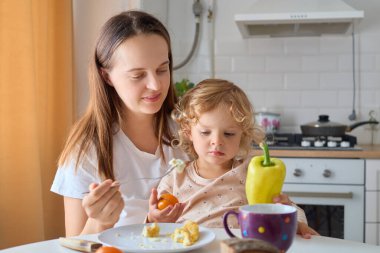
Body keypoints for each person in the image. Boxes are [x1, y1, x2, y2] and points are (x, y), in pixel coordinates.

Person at [51, 10, 187, 236]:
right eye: (137, 75)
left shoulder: (191, 131)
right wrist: (99, 222)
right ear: (107, 76)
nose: (155, 85)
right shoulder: (86, 149)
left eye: (162, 70)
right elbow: (76, 247)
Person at [146, 79, 319, 239]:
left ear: (242, 135)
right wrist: (154, 218)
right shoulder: (176, 177)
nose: (217, 142)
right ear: (188, 131)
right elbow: (156, 227)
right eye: (205, 132)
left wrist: (297, 221)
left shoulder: (250, 172)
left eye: (229, 134)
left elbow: (286, 208)